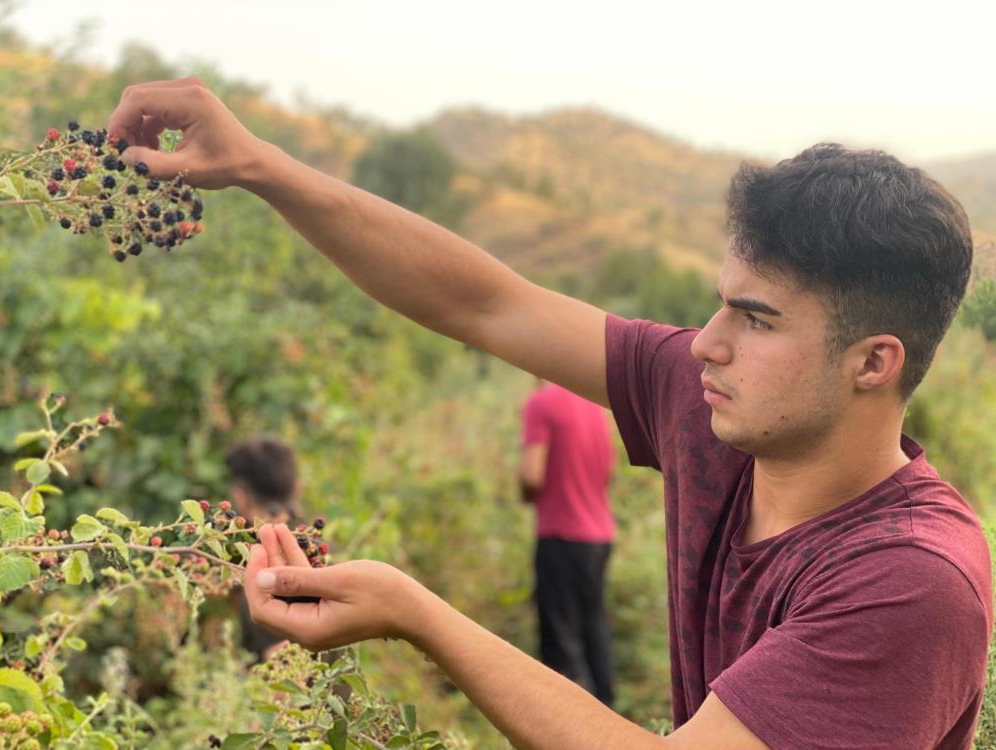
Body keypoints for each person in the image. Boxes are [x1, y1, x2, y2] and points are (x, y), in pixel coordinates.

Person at [107, 78, 993, 749]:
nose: (704, 344)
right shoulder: (715, 407)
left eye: (756, 320)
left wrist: (417, 613)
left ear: (874, 363)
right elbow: (483, 303)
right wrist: (261, 166)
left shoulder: (911, 581)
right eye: (720, 303)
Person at [520, 378, 616, 706]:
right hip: (599, 536)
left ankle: (569, 724)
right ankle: (607, 717)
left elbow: (533, 475)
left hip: (561, 534)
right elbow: (608, 473)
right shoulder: (593, 407)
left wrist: (525, 492)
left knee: (561, 637)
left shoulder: (541, 403)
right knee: (594, 627)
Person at [224, 436, 302, 662]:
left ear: (240, 496)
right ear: (296, 488)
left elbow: (280, 664)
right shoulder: (317, 543)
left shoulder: (264, 565)